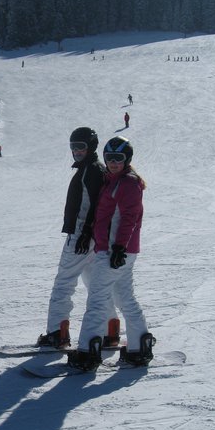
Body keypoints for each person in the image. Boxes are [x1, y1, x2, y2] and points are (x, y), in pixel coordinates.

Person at [66, 136, 155, 371]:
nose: (114, 162)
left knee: (97, 298)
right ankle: (139, 345)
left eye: (119, 158)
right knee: (124, 297)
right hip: (116, 250)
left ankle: (88, 351)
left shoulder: (127, 184)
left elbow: (129, 218)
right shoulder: (113, 181)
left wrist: (118, 248)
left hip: (115, 251)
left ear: (127, 159)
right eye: (110, 158)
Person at [36, 127, 120, 350]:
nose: (76, 151)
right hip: (92, 237)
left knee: (63, 283)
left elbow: (96, 204)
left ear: (91, 147)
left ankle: (57, 333)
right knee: (94, 283)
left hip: (82, 236)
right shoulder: (93, 169)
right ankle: (110, 329)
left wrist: (85, 232)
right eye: (73, 147)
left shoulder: (91, 171)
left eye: (81, 147)